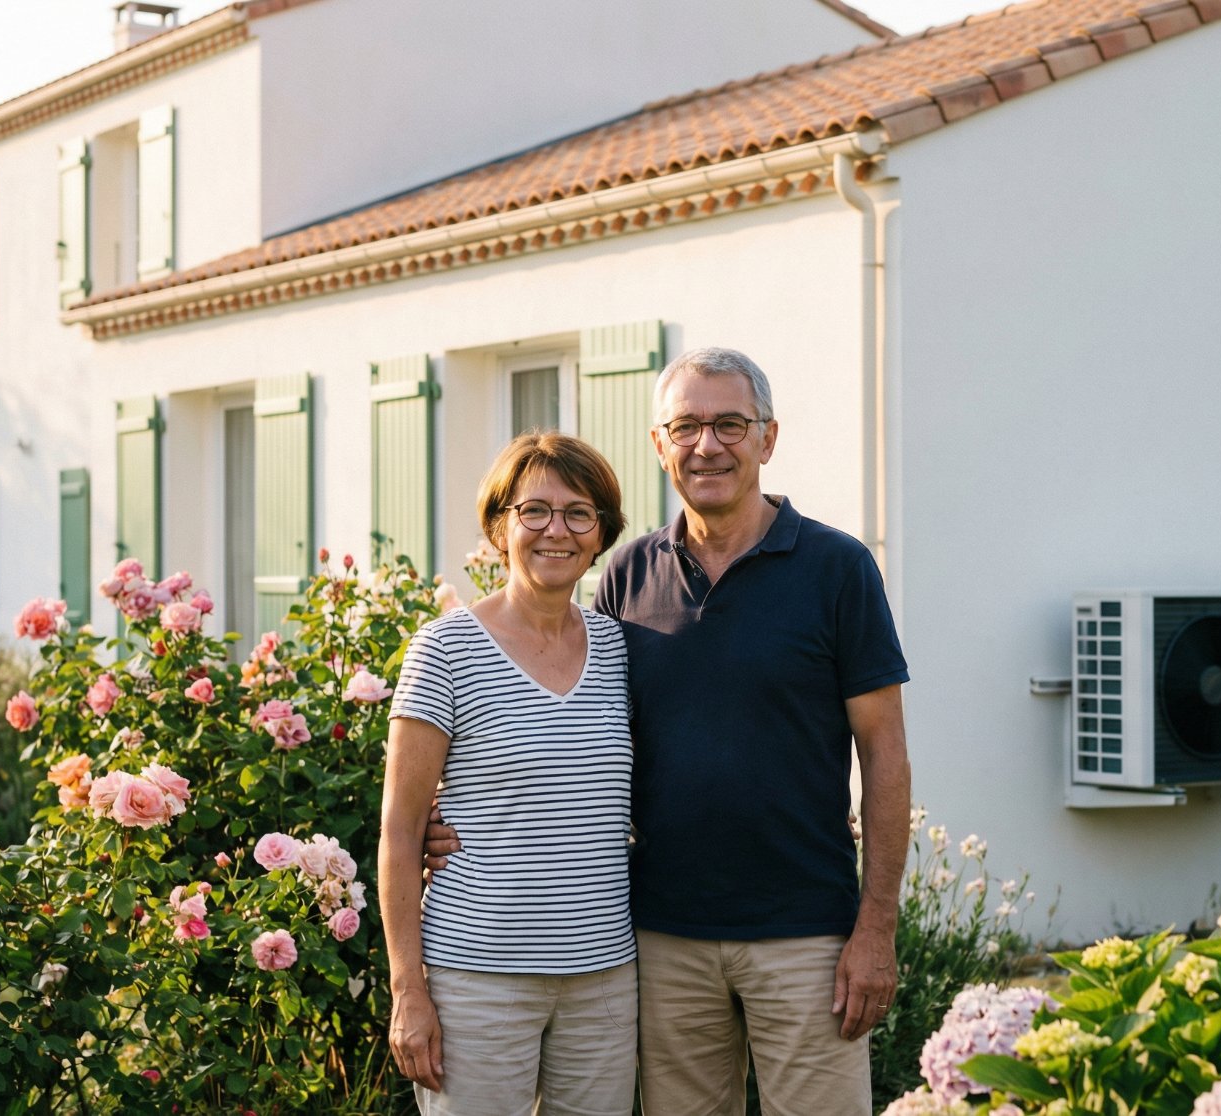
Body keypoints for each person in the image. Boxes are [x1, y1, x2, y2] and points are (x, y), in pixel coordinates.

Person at [431, 348, 912, 1115]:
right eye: (685, 426)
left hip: (805, 934)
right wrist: (448, 817)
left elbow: (885, 753)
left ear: (768, 438)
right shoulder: (626, 574)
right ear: (659, 444)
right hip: (660, 937)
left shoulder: (838, 570)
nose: (707, 445)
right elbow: (570, 728)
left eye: (729, 424)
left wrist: (875, 930)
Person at [380, 432, 635, 1116]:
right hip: (477, 979)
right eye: (535, 511)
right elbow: (401, 832)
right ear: (500, 526)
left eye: (579, 513)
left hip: (604, 976)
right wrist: (409, 990)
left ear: (601, 533)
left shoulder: (618, 648)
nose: (558, 530)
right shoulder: (445, 651)